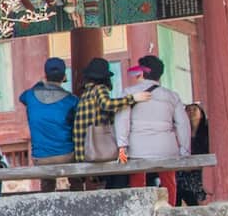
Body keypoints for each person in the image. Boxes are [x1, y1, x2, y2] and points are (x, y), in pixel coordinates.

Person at [114, 56, 190, 190]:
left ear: (142, 72)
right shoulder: (172, 96)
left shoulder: (128, 93)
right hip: (166, 148)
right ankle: (169, 208)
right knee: (169, 181)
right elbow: (183, 124)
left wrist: (122, 146)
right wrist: (184, 150)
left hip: (137, 148)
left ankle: (139, 209)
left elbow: (122, 121)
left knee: (137, 181)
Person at [74, 57, 151, 189]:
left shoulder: (85, 94)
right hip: (98, 149)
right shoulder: (99, 89)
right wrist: (132, 98)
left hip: (84, 151)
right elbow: (107, 104)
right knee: (122, 170)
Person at [20, 58, 78, 191]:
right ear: (64, 77)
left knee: (46, 183)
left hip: (41, 158)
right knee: (76, 177)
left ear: (45, 75)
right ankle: (79, 193)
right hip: (66, 155)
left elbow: (21, 98)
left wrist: (40, 83)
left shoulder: (29, 95)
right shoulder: (71, 100)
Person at [174, 103, 210, 206]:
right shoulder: (179, 131)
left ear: (201, 114)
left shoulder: (207, 132)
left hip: (199, 171)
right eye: (188, 110)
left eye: (194, 109)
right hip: (182, 170)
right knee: (174, 183)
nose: (191, 112)